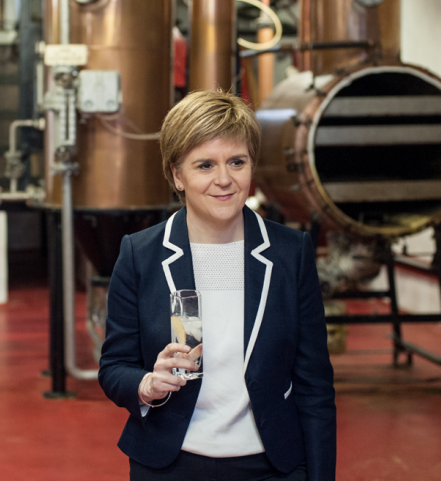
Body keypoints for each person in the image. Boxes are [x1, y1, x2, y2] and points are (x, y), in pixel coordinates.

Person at [98, 90, 336, 481]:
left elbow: (315, 386)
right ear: (177, 174)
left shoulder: (290, 253)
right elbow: (113, 367)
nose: (224, 180)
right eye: (205, 165)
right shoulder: (141, 254)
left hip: (271, 464)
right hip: (171, 463)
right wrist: (146, 383)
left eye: (236, 162)